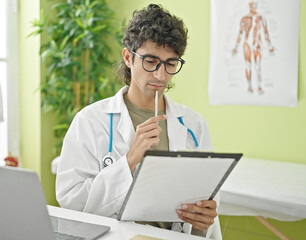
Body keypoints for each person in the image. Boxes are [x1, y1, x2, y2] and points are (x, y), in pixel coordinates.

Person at [56, 4, 220, 239]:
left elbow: (206, 204)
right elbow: (71, 204)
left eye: (170, 63)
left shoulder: (194, 125)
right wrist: (130, 160)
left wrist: (201, 223)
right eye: (151, 61)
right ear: (128, 57)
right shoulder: (90, 122)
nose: (160, 76)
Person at [232, 1, 275, 95]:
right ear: (250, 6)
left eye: (255, 4)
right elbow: (240, 34)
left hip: (257, 45)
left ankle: (259, 86)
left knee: (258, 66)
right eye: (252, 4)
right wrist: (235, 47)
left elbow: (265, 33)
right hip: (247, 44)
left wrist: (270, 47)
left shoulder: (261, 18)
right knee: (248, 66)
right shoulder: (244, 18)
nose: (254, 6)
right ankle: (249, 86)